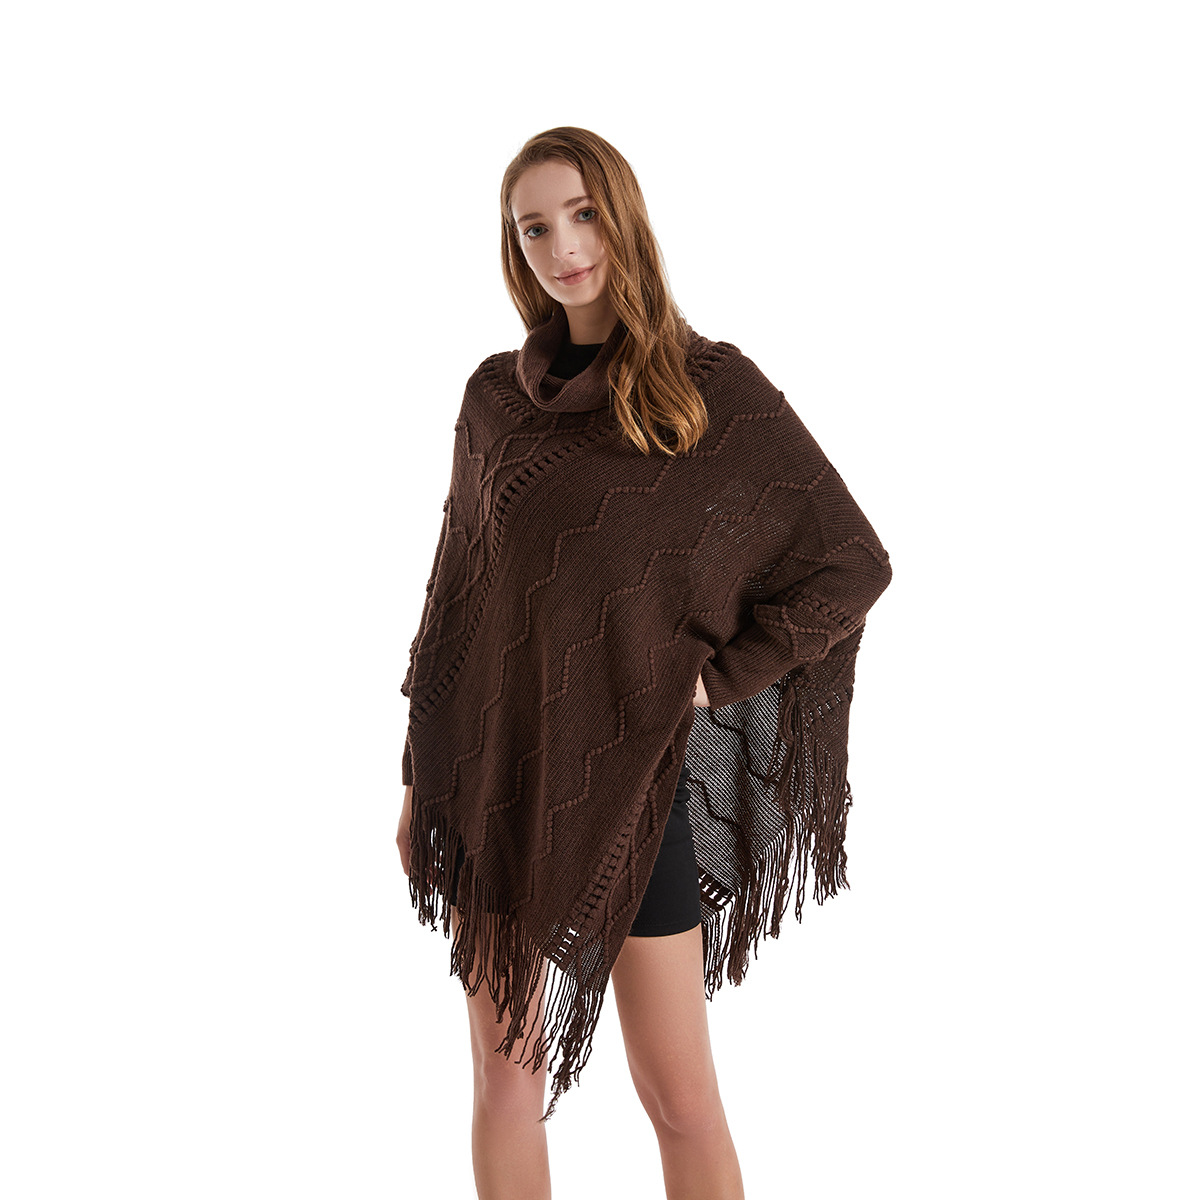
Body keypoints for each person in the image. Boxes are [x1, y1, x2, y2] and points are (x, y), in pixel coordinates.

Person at [397, 126, 893, 1199]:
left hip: (635, 789)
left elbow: (850, 562)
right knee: (503, 1082)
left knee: (679, 1098)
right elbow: (456, 605)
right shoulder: (494, 403)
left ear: (622, 217)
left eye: (582, 216)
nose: (563, 248)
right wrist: (416, 783)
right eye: (535, 229)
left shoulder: (711, 391)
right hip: (495, 783)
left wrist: (719, 679)